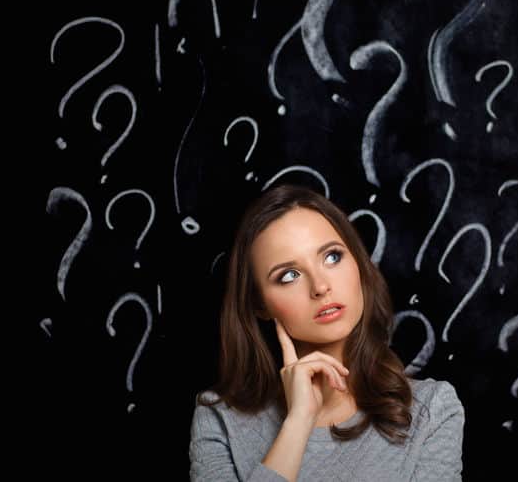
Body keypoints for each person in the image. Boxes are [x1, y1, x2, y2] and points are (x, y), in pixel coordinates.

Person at [189, 183, 465, 481]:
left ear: (358, 263)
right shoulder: (220, 419)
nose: (320, 286)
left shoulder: (431, 411)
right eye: (289, 276)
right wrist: (298, 422)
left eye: (332, 257)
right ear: (260, 305)